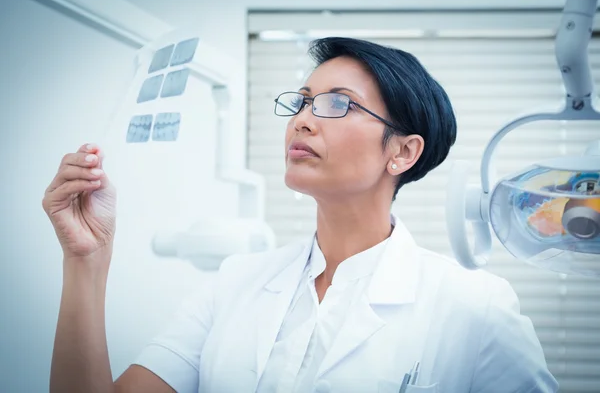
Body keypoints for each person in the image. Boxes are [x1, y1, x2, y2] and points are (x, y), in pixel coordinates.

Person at [44, 37, 558, 393]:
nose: (305, 120)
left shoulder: (474, 306)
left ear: (401, 153)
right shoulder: (234, 284)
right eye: (304, 102)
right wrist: (85, 259)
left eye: (339, 104)